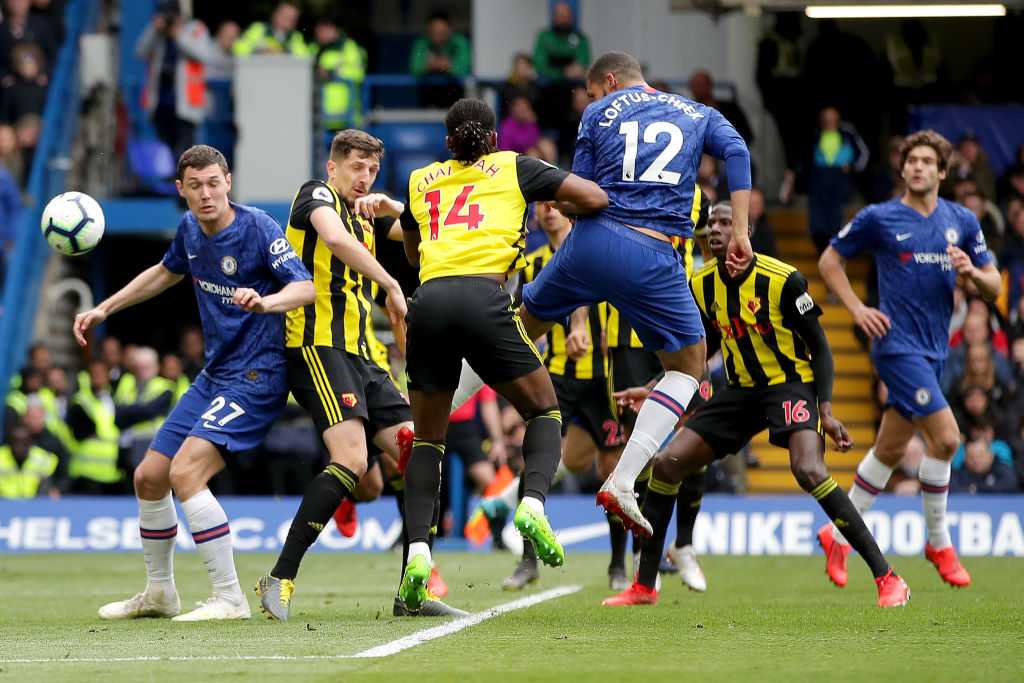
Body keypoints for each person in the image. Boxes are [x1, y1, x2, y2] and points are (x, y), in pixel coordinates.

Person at [603, 201, 910, 608]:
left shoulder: (782, 279)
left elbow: (819, 346)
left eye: (726, 222)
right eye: (711, 222)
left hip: (789, 385)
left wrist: (828, 409)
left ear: (744, 229)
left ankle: (887, 576)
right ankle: (644, 586)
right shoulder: (700, 284)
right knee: (666, 464)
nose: (715, 229)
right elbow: (702, 351)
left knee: (808, 469)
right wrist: (656, 386)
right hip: (740, 389)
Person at [516, 51, 753, 536]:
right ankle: (622, 480)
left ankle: (433, 415)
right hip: (653, 255)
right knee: (689, 366)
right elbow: (739, 153)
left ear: (607, 81)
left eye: (596, 92)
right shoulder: (698, 113)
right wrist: (743, 230)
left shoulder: (596, 113)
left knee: (516, 329)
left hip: (592, 244)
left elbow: (583, 195)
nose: (597, 101)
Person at [75, 144, 314, 621]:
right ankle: (160, 593)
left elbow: (305, 286)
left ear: (228, 181)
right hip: (215, 375)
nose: (206, 194)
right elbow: (163, 274)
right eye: (195, 186)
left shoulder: (257, 229)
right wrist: (105, 307)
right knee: (149, 477)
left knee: (186, 474)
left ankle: (230, 598)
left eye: (214, 183)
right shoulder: (189, 231)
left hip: (258, 375)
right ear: (181, 189)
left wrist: (266, 303)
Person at [396, 97, 607, 611]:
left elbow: (409, 241)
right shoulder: (517, 166)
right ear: (495, 138)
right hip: (484, 299)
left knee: (427, 441)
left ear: (447, 143)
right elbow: (594, 199)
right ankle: (532, 503)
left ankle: (419, 551)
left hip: (428, 301)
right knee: (543, 410)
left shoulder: (421, 178)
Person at [254, 129, 451, 620]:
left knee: (418, 450)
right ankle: (279, 577)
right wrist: (389, 281)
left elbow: (428, 237)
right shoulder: (313, 196)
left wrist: (398, 209)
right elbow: (335, 239)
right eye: (356, 168)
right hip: (318, 346)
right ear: (332, 168)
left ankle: (413, 591)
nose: (363, 178)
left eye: (371, 170)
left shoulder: (367, 215)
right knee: (353, 460)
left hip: (365, 354)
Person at [818, 130, 1001, 590]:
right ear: (902, 168)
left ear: (942, 171)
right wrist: (858, 309)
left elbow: (994, 286)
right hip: (896, 347)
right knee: (946, 438)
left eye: (927, 161)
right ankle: (938, 541)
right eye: (911, 160)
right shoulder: (880, 217)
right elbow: (828, 262)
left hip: (936, 349)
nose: (918, 167)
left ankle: (837, 533)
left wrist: (972, 274)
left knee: (891, 448)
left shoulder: (962, 221)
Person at [502, 201, 626, 591]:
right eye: (544, 206)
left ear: (572, 213)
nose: (550, 211)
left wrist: (594, 330)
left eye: (557, 206)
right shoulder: (534, 262)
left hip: (602, 382)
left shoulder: (599, 254)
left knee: (612, 472)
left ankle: (619, 565)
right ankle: (527, 561)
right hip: (553, 375)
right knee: (533, 458)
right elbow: (521, 320)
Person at [135, 1, 230, 158]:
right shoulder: (158, 33)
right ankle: (169, 179)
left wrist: (178, 36)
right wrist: (154, 29)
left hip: (186, 103)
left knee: (185, 151)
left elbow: (204, 55)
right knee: (165, 149)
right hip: (161, 100)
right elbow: (140, 51)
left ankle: (182, 179)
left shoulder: (195, 29)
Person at [408, 11, 470, 109]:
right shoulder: (422, 43)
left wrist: (447, 66)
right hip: (429, 96)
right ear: (428, 30)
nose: (437, 35)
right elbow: (415, 69)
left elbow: (464, 69)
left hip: (454, 95)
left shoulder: (459, 42)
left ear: (449, 29)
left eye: (441, 32)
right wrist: (430, 66)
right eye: (434, 32)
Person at [232, 2, 308, 57]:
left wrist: (284, 52)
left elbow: (303, 58)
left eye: (292, 19)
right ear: (275, 15)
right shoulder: (258, 28)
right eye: (285, 16)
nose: (288, 21)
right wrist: (260, 51)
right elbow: (239, 49)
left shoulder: (296, 36)